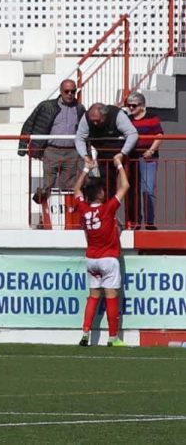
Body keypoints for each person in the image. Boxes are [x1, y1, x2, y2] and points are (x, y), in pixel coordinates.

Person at [72, 158, 129, 347]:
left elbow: (76, 189)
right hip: (108, 258)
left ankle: (85, 333)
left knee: (93, 296)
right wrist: (119, 164)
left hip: (92, 259)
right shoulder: (108, 208)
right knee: (111, 297)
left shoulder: (84, 209)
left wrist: (86, 169)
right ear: (101, 193)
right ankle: (113, 338)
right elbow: (125, 186)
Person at [20, 79, 84, 205]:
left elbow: (85, 131)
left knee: (68, 187)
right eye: (67, 91)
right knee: (47, 185)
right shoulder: (46, 106)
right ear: (61, 91)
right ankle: (43, 209)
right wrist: (23, 147)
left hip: (72, 152)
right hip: (51, 151)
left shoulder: (80, 109)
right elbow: (29, 123)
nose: (70, 94)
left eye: (73, 91)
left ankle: (65, 213)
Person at [75, 102, 138, 219]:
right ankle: (107, 217)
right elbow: (79, 138)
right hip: (104, 157)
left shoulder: (117, 115)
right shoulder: (86, 118)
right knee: (107, 187)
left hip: (124, 155)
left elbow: (132, 134)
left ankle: (132, 221)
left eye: (97, 120)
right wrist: (85, 156)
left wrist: (122, 153)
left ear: (105, 116)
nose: (94, 123)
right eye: (92, 120)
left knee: (130, 188)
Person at [124, 92, 162, 228]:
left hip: (148, 158)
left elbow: (159, 135)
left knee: (148, 189)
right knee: (132, 190)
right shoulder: (127, 119)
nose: (131, 108)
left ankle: (149, 222)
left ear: (142, 105)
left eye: (134, 105)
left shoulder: (152, 117)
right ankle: (135, 221)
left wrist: (151, 150)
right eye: (129, 105)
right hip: (132, 157)